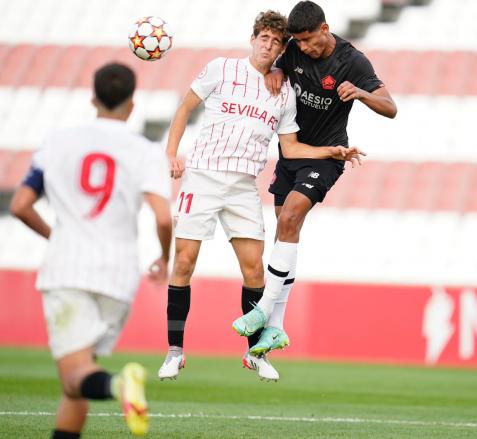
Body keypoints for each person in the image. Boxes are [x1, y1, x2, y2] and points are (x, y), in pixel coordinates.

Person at [157, 10, 363, 383]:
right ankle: (175, 351)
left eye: (276, 42)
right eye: (263, 38)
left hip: (242, 186)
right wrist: (172, 154)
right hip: (202, 178)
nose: (269, 46)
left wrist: (331, 152)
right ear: (253, 39)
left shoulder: (282, 92)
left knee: (254, 269)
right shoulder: (221, 69)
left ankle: (254, 352)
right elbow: (185, 107)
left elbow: (293, 148)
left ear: (282, 48)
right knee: (184, 261)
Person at [9, 63, 172, 438]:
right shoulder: (145, 151)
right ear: (132, 106)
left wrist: (55, 236)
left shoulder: (58, 141)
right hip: (118, 274)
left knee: (74, 375)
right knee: (79, 376)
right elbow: (163, 218)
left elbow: (19, 204)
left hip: (69, 270)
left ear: (92, 98)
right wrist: (164, 257)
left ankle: (119, 386)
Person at [232, 1, 397, 357]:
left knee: (289, 219)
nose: (302, 48)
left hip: (327, 157)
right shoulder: (292, 51)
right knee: (284, 235)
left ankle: (262, 311)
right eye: (298, 42)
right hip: (293, 154)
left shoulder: (352, 61)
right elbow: (275, 63)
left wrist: (362, 93)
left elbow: (391, 107)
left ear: (324, 29)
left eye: (307, 40)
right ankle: (276, 328)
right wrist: (275, 69)